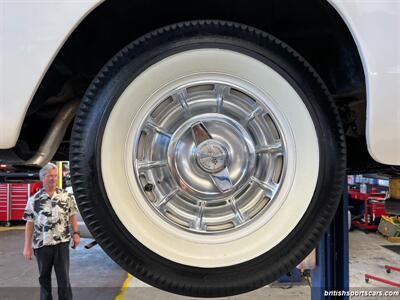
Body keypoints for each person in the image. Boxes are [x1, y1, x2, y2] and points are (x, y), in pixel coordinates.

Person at [22, 162, 80, 300]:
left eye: (55, 176)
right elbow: (29, 223)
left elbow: (72, 215)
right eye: (50, 176)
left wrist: (76, 233)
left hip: (62, 243)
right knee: (44, 279)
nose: (53, 179)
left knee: (64, 279)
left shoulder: (66, 196)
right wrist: (27, 247)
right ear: (42, 178)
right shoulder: (34, 199)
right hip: (42, 245)